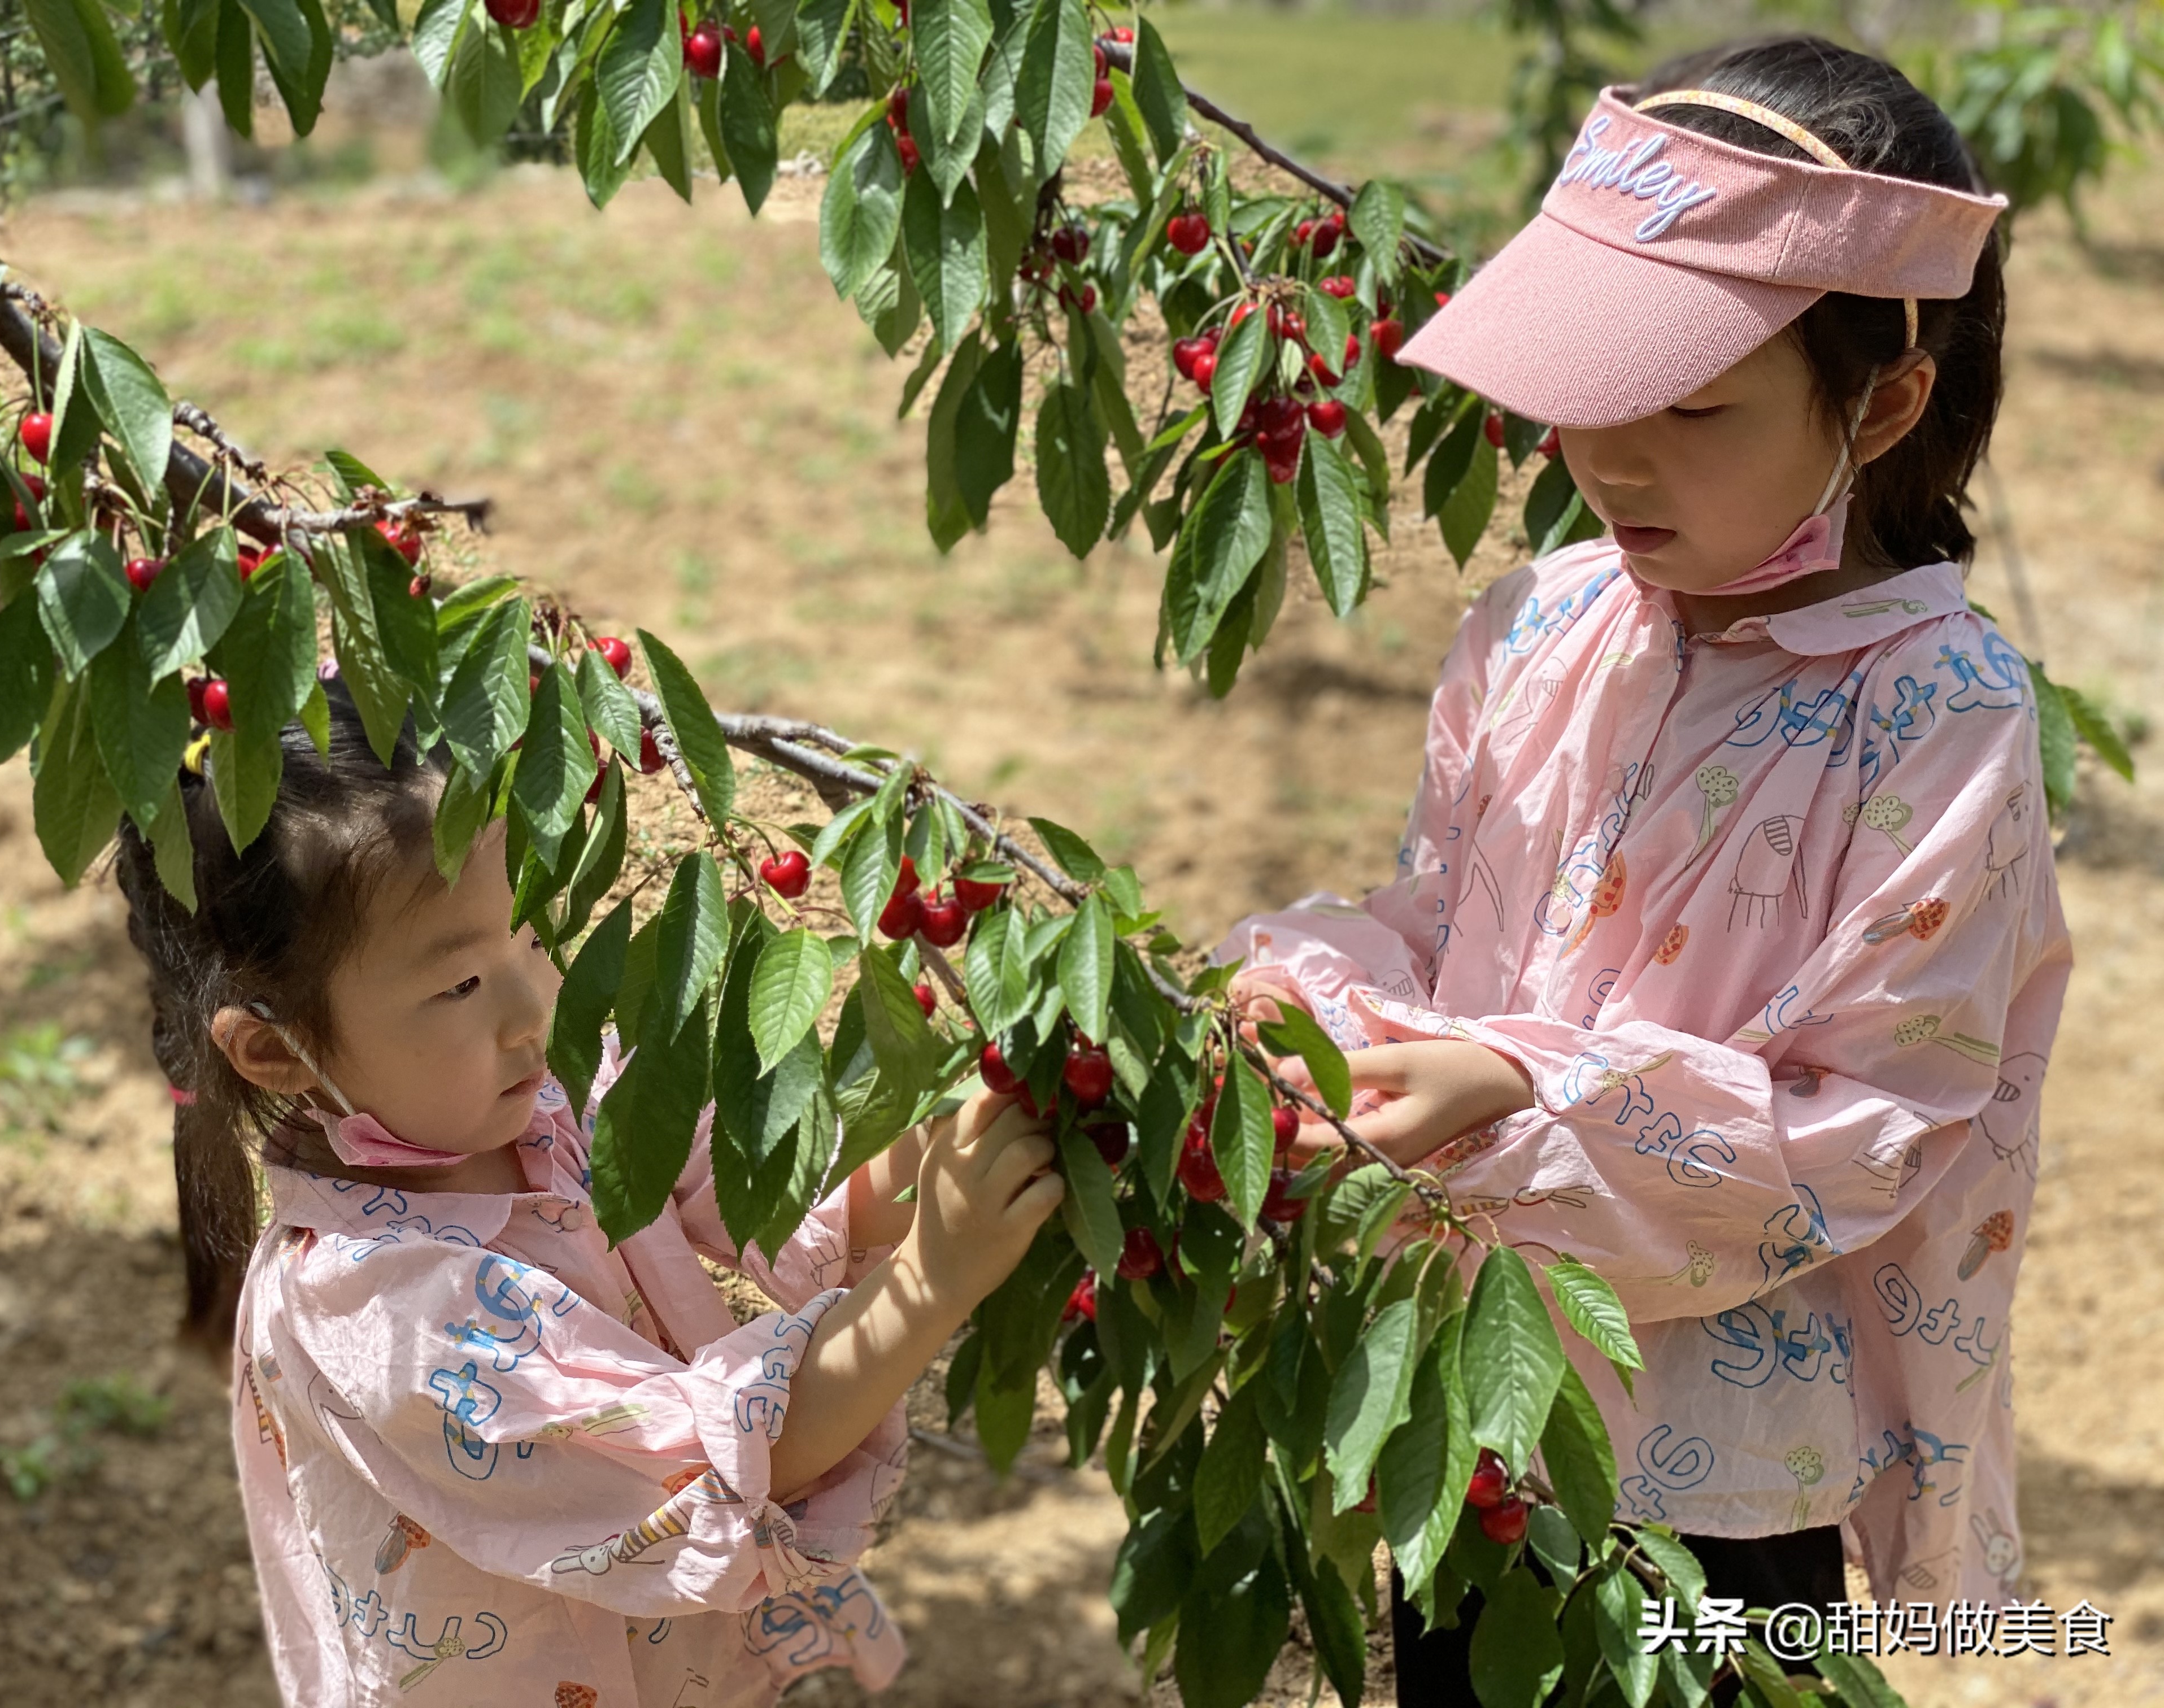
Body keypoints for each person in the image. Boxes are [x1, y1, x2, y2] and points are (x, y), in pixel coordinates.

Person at [1222, 33, 2065, 1691]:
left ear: (1885, 404)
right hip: (1471, 1390)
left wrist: (1525, 1091)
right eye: (1590, 394)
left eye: (1692, 408)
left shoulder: (1938, 717)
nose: (1611, 458)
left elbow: (1872, 1121)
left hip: (1717, 1474)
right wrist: (1327, 1003)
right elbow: (1443, 915)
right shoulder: (1541, 623)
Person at [116, 682, 1065, 1706]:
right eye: (460, 985)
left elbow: (779, 1195)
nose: (533, 1008)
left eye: (529, 933)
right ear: (277, 1051)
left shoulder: (557, 1091)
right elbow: (725, 1469)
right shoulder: (381, 1314)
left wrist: (972, 1133)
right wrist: (930, 1284)